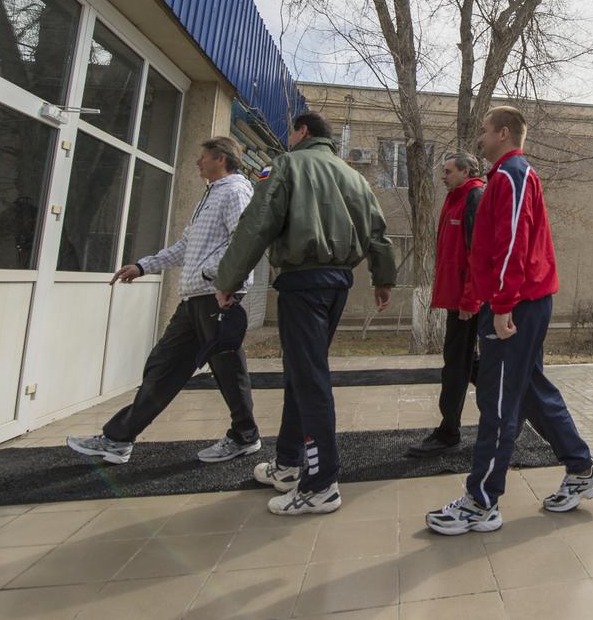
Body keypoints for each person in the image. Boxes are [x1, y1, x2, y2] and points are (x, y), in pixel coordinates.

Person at [426, 105, 593, 535]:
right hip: (516, 300)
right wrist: (480, 296)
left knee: (499, 401)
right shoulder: (504, 176)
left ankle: (481, 502)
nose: (481, 139)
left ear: (504, 133)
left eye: (486, 131)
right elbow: (489, 248)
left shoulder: (511, 175)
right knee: (529, 392)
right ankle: (581, 470)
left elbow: (511, 242)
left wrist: (503, 304)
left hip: (517, 303)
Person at [213, 111, 396, 516]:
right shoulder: (354, 177)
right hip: (336, 285)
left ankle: (321, 485)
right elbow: (377, 233)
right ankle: (289, 465)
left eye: (290, 130)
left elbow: (256, 225)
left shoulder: (285, 166)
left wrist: (228, 280)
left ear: (302, 131)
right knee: (301, 373)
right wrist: (383, 280)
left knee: (309, 378)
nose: (288, 137)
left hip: (303, 283)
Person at [66, 137, 259, 465]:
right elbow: (185, 247)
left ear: (221, 159)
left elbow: (245, 241)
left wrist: (220, 279)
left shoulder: (235, 191)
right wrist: (143, 266)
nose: (198, 163)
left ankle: (245, 436)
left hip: (217, 299)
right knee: (163, 367)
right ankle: (118, 439)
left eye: (204, 157)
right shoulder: (211, 195)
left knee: (229, 372)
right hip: (194, 302)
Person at [406, 152, 486, 457]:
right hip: (457, 299)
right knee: (469, 362)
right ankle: (513, 408)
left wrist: (470, 299)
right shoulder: (455, 197)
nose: (443, 175)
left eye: (449, 171)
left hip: (466, 302)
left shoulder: (474, 198)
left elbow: (477, 255)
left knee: (455, 364)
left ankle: (448, 433)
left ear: (467, 172)